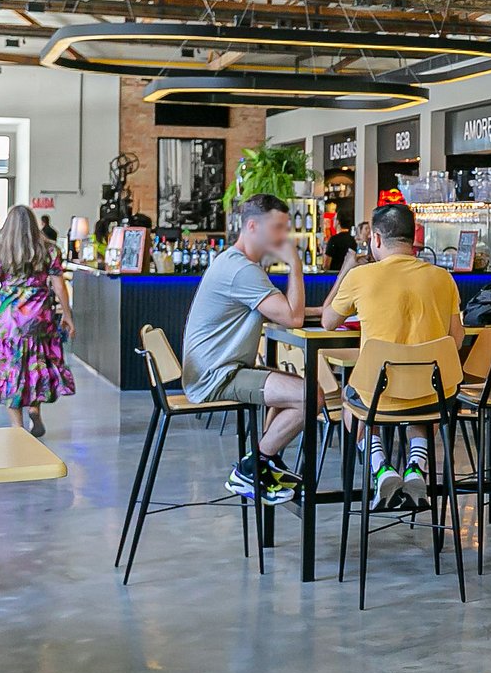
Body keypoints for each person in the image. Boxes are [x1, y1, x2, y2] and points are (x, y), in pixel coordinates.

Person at [321, 203, 463, 506]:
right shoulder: (443, 278)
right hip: (433, 395)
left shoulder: (362, 277)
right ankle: (415, 467)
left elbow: (328, 321)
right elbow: (457, 339)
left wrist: (346, 272)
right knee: (420, 398)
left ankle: (381, 467)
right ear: (414, 238)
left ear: (375, 238)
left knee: (351, 403)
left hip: (378, 395)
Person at [179, 194, 308, 503]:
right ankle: (252, 468)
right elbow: (293, 318)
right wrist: (295, 265)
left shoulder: (237, 263)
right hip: (215, 376)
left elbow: (284, 311)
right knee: (309, 396)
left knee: (296, 387)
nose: (284, 237)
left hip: (223, 369)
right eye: (277, 228)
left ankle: (266, 464)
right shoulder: (242, 270)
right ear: (252, 226)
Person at [0, 204, 77, 437]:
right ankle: (34, 408)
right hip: (38, 317)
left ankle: (17, 425)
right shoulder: (50, 249)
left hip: (5, 320)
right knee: (34, 364)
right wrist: (67, 315)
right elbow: (59, 286)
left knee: (9, 368)